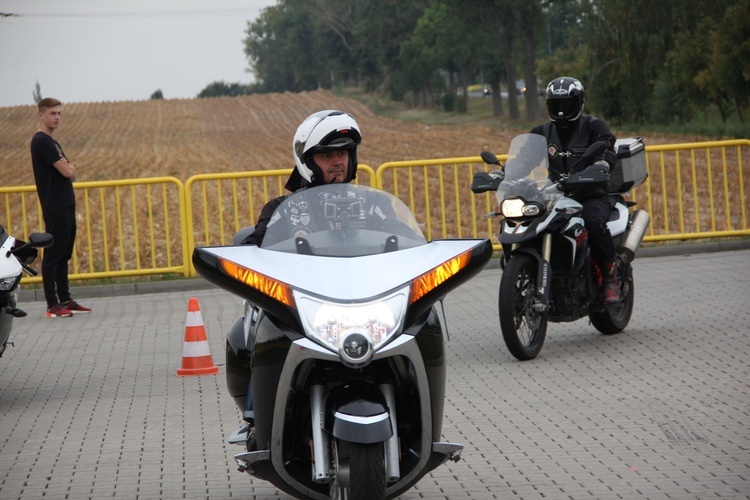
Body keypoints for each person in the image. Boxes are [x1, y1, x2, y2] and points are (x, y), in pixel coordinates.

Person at [530, 77, 621, 304]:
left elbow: (608, 146)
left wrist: (603, 165)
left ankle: (611, 276)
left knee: (592, 221)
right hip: (557, 195)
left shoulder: (594, 126)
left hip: (591, 193)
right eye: (556, 105)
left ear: (579, 102)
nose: (561, 111)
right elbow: (524, 158)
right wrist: (505, 175)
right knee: (530, 221)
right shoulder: (541, 132)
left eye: (566, 104)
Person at [242, 109, 370, 246]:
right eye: (326, 155)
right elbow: (250, 253)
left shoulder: (372, 203)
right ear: (308, 162)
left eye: (341, 153)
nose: (338, 162)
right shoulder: (282, 209)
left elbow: (396, 242)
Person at [30, 98, 91, 318]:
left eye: (59, 113)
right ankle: (52, 304)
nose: (57, 117)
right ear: (41, 115)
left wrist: (69, 168)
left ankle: (65, 299)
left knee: (64, 252)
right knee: (53, 253)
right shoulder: (41, 141)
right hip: (55, 205)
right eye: (53, 113)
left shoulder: (52, 142)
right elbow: (68, 172)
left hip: (66, 203)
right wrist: (68, 168)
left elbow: (71, 170)